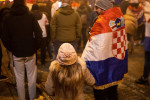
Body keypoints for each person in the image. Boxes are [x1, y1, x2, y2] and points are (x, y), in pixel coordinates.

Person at [81, 0, 128, 100]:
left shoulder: (101, 21)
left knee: (100, 93)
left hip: (102, 65)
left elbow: (94, 45)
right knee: (113, 91)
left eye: (97, 8)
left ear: (103, 8)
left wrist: (83, 60)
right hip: (115, 63)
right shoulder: (120, 17)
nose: (94, 10)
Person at [1, 0, 42, 100]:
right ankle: (32, 98)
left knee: (19, 79)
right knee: (31, 77)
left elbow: (4, 37)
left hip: (17, 52)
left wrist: (11, 48)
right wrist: (35, 46)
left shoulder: (8, 18)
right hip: (30, 51)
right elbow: (38, 33)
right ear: (24, 3)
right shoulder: (30, 16)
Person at [135, 1, 150, 85]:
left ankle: (144, 78)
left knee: (148, 58)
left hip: (149, 37)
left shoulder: (147, 8)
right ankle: (144, 77)